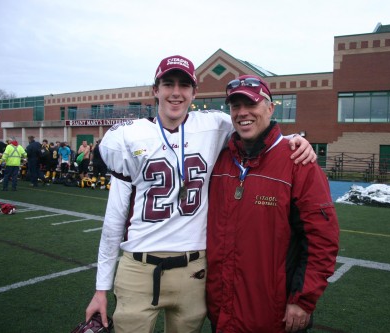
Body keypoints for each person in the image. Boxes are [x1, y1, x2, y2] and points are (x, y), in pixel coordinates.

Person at [84, 55, 316, 333]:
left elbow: (257, 126)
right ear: (154, 90)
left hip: (193, 270)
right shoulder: (126, 138)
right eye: (168, 84)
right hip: (139, 266)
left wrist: (293, 140)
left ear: (194, 93)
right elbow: (113, 221)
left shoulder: (215, 126)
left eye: (184, 85)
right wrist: (101, 289)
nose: (176, 92)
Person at [206, 75, 340, 333]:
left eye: (251, 104)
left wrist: (303, 300)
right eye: (236, 106)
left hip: (272, 316)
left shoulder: (298, 161)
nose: (243, 113)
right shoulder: (220, 159)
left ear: (270, 108)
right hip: (221, 312)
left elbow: (322, 239)